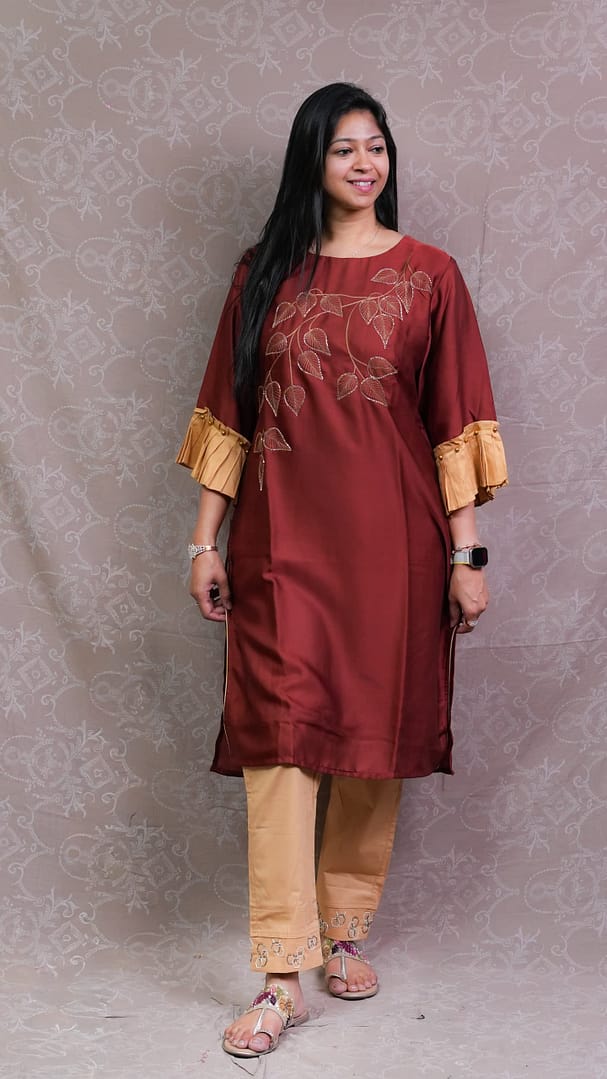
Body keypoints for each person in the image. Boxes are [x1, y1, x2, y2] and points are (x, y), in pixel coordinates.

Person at [176, 82, 507, 1058]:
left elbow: (454, 421)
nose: (365, 164)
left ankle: (345, 928)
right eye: (343, 149)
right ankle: (280, 971)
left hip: (395, 548)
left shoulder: (430, 275)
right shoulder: (264, 275)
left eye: (376, 147)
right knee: (278, 743)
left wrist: (466, 555)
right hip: (279, 545)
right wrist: (203, 540)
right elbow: (228, 410)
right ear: (310, 163)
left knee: (372, 735)